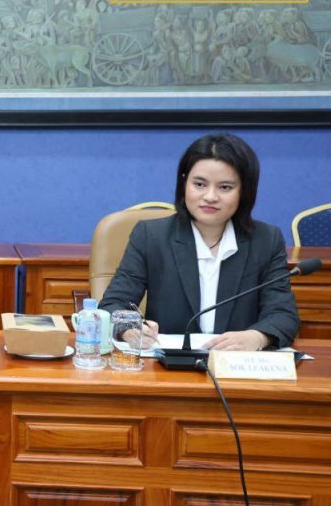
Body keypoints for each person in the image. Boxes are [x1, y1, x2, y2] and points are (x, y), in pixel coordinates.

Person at [101, 133, 299, 350]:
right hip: (168, 365)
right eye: (200, 184)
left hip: (235, 363)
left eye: (225, 187)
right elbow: (112, 305)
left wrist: (257, 338)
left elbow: (283, 315)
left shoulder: (266, 240)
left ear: (244, 191)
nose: (210, 196)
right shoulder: (151, 236)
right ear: (184, 183)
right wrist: (130, 329)